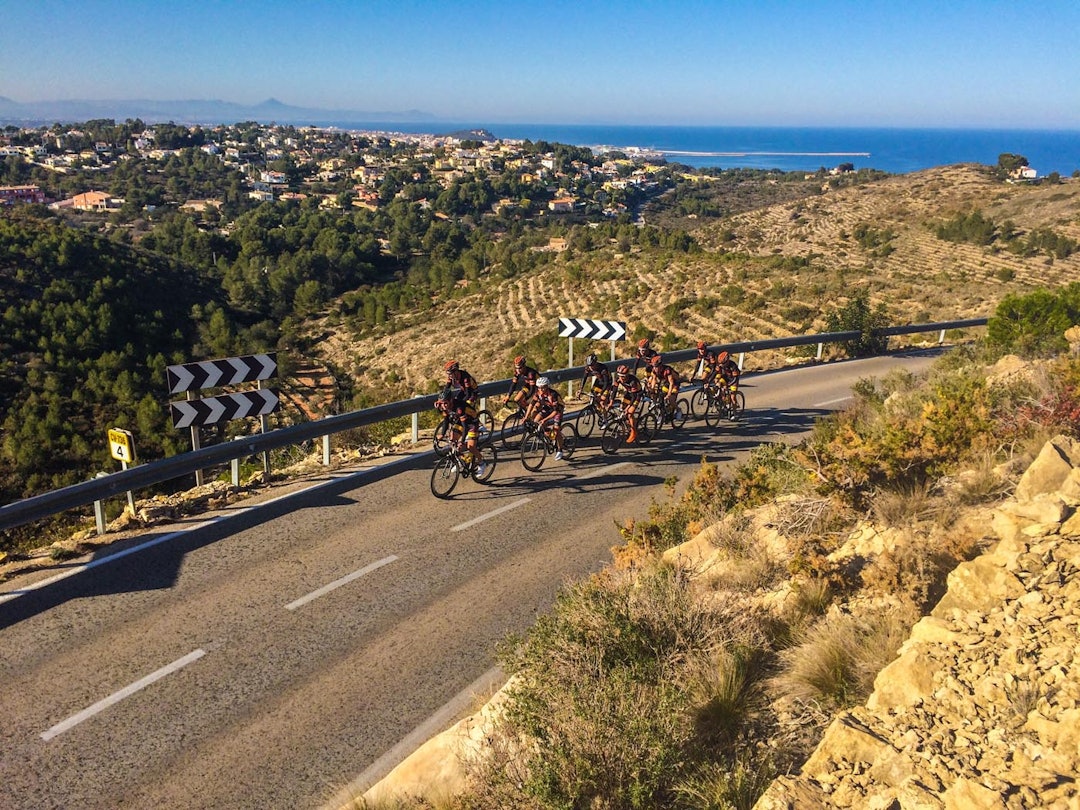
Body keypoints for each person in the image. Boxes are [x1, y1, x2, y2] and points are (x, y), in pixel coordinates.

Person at [437, 360, 484, 473]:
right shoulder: (446, 404)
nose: (449, 376)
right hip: (461, 409)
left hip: (471, 416)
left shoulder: (465, 378)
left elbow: (468, 394)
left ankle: (482, 462)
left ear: (456, 371)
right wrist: (442, 434)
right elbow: (446, 419)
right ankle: (461, 462)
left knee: (470, 447)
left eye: (450, 373)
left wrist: (462, 441)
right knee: (452, 441)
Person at [524, 376, 567, 459]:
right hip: (547, 408)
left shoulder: (553, 395)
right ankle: (549, 435)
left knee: (556, 430)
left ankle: (560, 450)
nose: (540, 390)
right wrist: (526, 416)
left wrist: (544, 420)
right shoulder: (538, 393)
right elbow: (531, 404)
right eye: (539, 388)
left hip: (557, 410)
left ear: (547, 387)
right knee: (536, 422)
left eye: (542, 388)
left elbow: (555, 411)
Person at [613, 364, 644, 443]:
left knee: (629, 413)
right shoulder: (618, 379)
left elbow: (634, 398)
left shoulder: (632, 382)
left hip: (637, 395)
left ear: (627, 375)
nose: (621, 378)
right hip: (629, 393)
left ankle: (634, 432)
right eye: (619, 376)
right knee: (622, 410)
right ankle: (630, 424)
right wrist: (611, 401)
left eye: (623, 376)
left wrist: (628, 408)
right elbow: (614, 390)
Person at [716, 350, 742, 415]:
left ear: (727, 361)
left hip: (733, 380)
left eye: (723, 364)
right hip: (726, 378)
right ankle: (723, 403)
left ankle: (734, 413)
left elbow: (735, 378)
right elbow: (717, 373)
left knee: (732, 396)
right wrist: (717, 379)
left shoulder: (733, 366)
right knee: (719, 387)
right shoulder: (720, 365)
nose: (721, 365)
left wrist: (728, 385)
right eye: (720, 364)